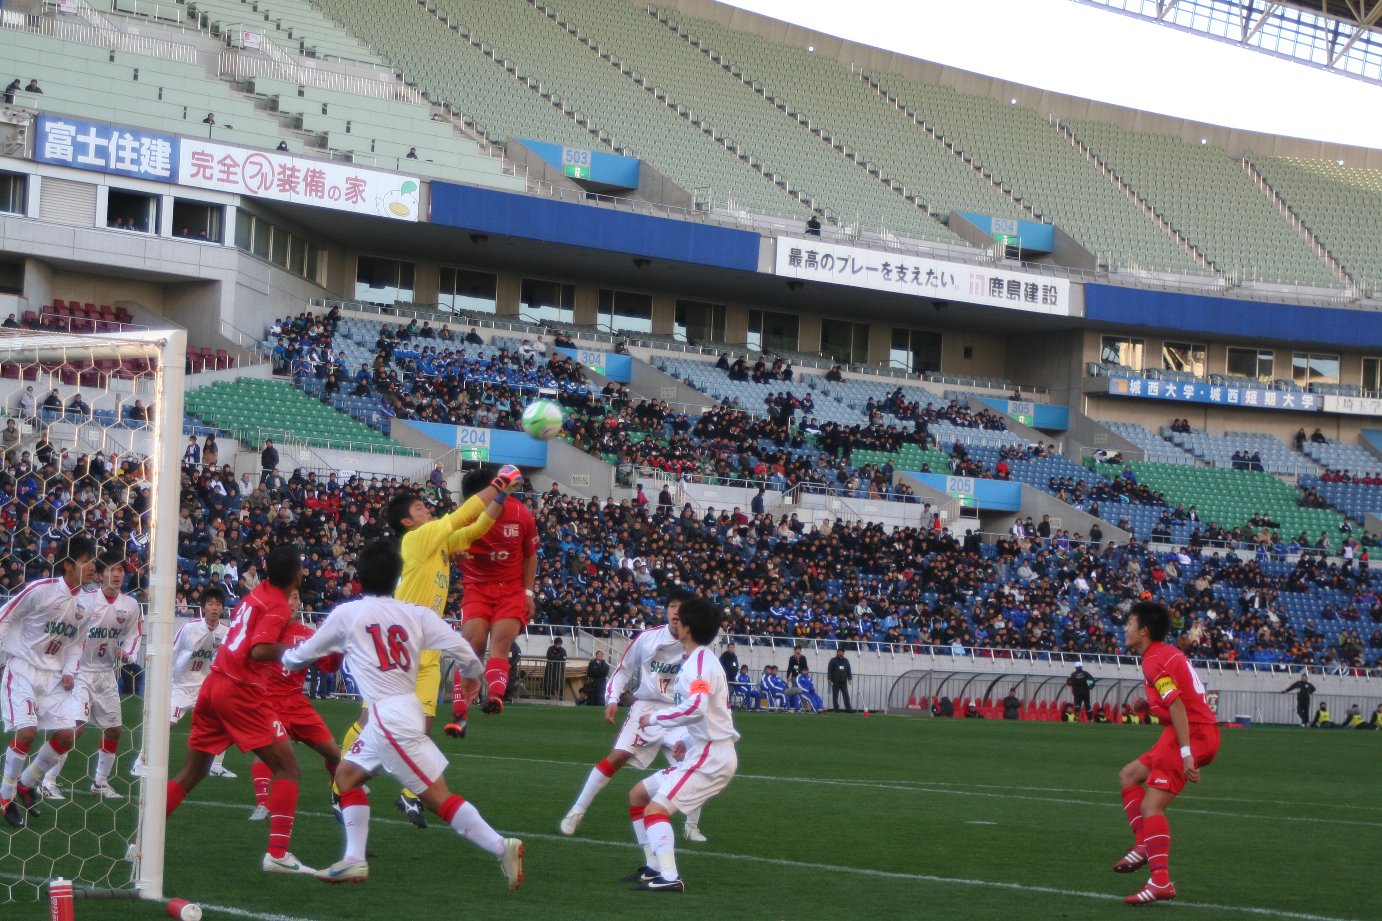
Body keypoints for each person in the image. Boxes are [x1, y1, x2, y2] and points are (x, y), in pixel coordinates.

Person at [279, 539, 524, 888]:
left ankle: (503, 847)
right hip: (400, 710)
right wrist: (472, 676)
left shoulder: (347, 615)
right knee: (346, 777)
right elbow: (464, 651)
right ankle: (353, 859)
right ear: (397, 579)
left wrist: (282, 657)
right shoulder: (417, 614)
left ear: (358, 580)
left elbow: (301, 656)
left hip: (388, 718)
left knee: (436, 796)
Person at [337, 464, 520, 829]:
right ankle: (339, 782)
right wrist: (499, 483)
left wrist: (503, 496)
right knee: (368, 719)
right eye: (419, 508)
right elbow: (463, 515)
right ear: (407, 522)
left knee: (422, 725)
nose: (426, 510)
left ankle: (409, 797)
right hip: (397, 650)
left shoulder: (439, 544)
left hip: (427, 650)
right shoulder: (417, 540)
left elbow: (479, 526)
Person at [164, 545, 315, 875]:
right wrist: (303, 648)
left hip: (213, 684)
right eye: (301, 568)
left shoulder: (257, 593)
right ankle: (277, 854)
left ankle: (142, 843)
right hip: (240, 691)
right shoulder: (277, 605)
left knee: (193, 772)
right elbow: (260, 651)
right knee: (288, 769)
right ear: (295, 575)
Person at [560, 590, 708, 842]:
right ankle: (576, 811)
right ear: (666, 610)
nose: (675, 611)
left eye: (681, 607)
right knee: (617, 756)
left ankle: (691, 825)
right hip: (647, 707)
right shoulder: (647, 639)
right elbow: (623, 669)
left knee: (692, 765)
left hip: (678, 710)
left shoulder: (697, 647)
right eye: (672, 605)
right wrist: (613, 699)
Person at [624, 596, 738, 892]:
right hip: (702, 750)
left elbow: (697, 706)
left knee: (655, 811)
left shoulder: (699, 663)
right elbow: (709, 711)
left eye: (680, 617)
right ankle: (653, 867)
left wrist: (656, 718)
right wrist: (686, 740)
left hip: (711, 758)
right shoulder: (699, 660)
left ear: (687, 627)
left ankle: (670, 877)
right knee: (638, 795)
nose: (676, 620)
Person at [1113, 601, 1220, 906]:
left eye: (1130, 623)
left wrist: (1187, 754)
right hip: (1192, 730)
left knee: (1152, 806)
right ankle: (1143, 844)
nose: (1125, 628)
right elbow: (1174, 699)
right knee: (1129, 775)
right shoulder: (1163, 653)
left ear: (1144, 630)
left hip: (1192, 733)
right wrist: (1149, 707)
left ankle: (1160, 880)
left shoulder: (1152, 660)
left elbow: (1177, 706)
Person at [0, 536, 98, 827]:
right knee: (27, 732)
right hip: (23, 668)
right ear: (68, 565)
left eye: (93, 560)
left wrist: (69, 671)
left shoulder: (86, 602)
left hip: (54, 674)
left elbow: (77, 643)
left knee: (68, 735)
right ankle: (5, 796)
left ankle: (27, 783)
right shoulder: (40, 590)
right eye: (86, 560)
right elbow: (5, 616)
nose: (92, 566)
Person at [40, 555, 141, 800]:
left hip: (106, 675)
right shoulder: (86, 601)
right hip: (80, 673)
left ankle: (100, 782)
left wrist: (127, 653)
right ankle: (47, 780)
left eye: (121, 570)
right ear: (100, 574)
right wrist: (66, 668)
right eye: (112, 570)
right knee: (75, 728)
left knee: (115, 730)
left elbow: (133, 634)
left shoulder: (130, 605)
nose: (117, 575)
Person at [449, 465, 540, 730]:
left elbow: (530, 555)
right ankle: (460, 712)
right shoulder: (463, 518)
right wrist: (454, 556)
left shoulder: (521, 514)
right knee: (472, 644)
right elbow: (446, 549)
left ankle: (496, 697)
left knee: (501, 642)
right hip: (477, 588)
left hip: (510, 589)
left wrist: (528, 593)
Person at [247, 588, 342, 822]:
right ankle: (263, 803)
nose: (291, 602)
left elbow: (328, 667)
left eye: (296, 597)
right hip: (267, 702)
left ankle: (337, 788)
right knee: (267, 749)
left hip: (297, 703)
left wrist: (340, 650)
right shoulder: (264, 630)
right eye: (286, 597)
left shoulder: (307, 635)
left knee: (335, 754)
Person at [133, 586, 232, 777]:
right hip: (180, 686)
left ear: (222, 609)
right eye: (210, 604)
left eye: (218, 605)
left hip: (205, 688)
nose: (214, 608)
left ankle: (215, 765)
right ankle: (140, 761)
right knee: (166, 724)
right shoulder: (190, 628)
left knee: (224, 722)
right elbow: (172, 652)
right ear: (203, 608)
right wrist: (164, 682)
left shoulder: (226, 632)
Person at [827, 647, 853, 712]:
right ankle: (836, 709)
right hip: (835, 681)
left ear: (843, 653)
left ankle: (848, 708)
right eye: (839, 651)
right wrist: (829, 678)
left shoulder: (846, 661)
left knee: (846, 695)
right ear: (837, 652)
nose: (841, 652)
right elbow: (829, 670)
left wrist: (849, 678)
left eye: (842, 651)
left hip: (843, 681)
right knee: (835, 696)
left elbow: (849, 670)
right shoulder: (833, 660)